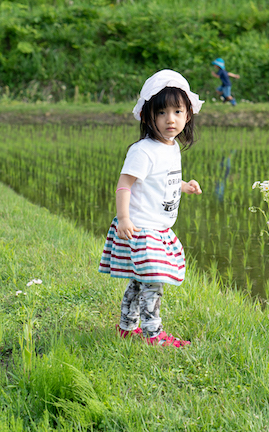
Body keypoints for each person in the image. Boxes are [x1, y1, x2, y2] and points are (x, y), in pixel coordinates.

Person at [98, 69, 204, 348]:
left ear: (188, 115)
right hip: (142, 228)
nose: (170, 119)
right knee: (154, 282)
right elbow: (124, 185)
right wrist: (123, 218)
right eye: (161, 113)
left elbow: (161, 180)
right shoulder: (143, 150)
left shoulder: (170, 148)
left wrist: (184, 185)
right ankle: (153, 334)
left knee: (139, 280)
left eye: (177, 111)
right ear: (147, 116)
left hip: (159, 228)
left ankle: (126, 327)